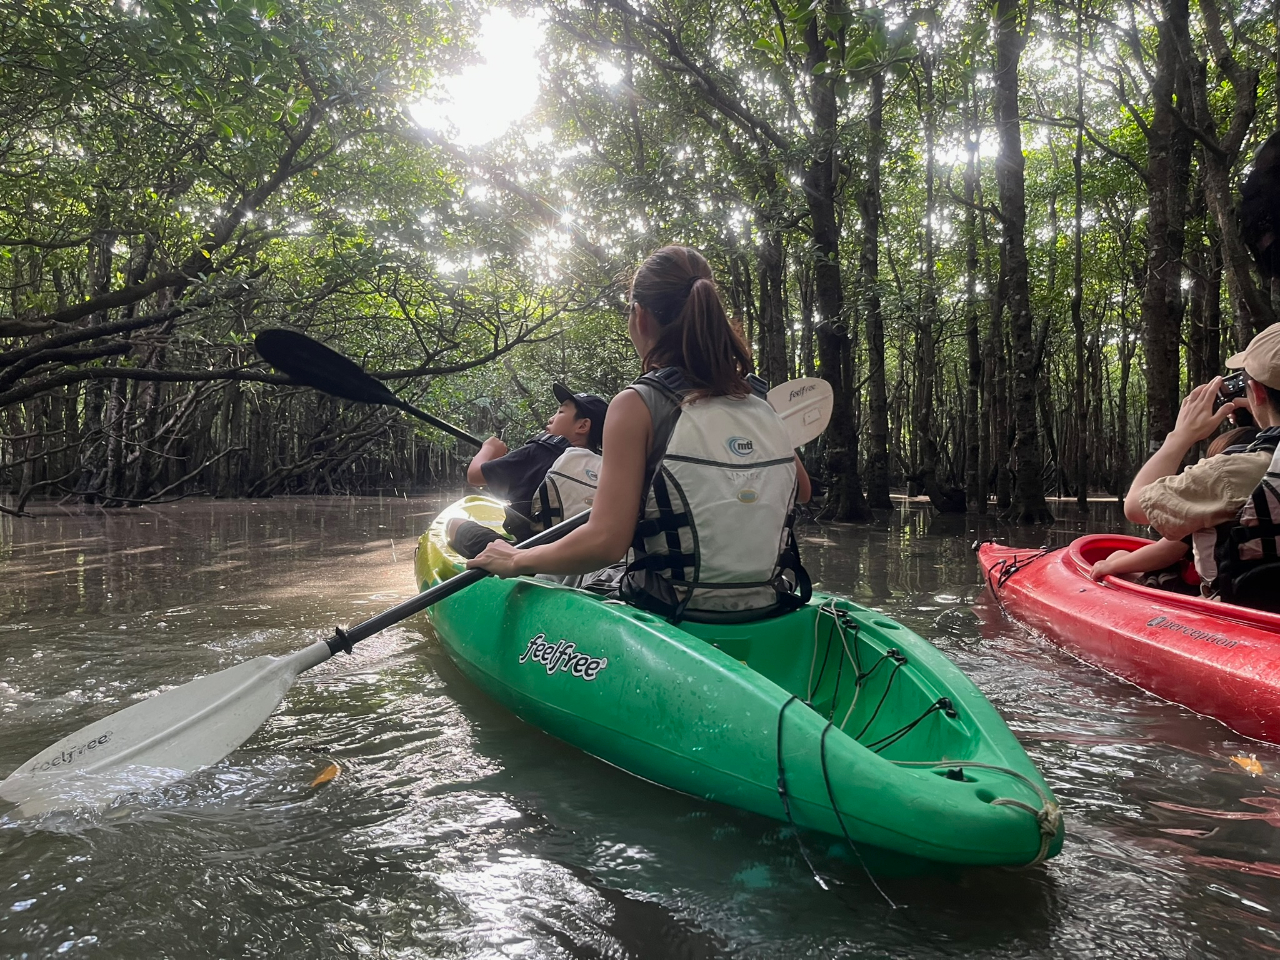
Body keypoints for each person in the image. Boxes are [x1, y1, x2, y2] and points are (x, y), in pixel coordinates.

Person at [467, 245, 811, 623]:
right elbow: (802, 490)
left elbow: (605, 543)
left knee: (471, 535)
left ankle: (482, 543)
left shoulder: (636, 404)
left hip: (667, 607)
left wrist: (517, 559)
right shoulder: (757, 398)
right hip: (766, 602)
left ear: (641, 316)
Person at [1124, 331, 1280, 599]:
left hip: (1245, 613)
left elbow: (1136, 507)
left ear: (1256, 391)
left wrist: (1180, 436)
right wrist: (1261, 413)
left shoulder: (1230, 473)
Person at [447, 384, 608, 559]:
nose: (551, 419)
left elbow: (474, 475)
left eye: (560, 412)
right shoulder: (604, 466)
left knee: (454, 524)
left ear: (583, 426)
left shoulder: (540, 451)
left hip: (528, 557)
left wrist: (489, 448)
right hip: (578, 557)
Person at [1092, 426, 1257, 586]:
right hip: (1237, 581)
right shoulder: (1258, 502)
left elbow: (1165, 551)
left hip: (1205, 588)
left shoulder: (1207, 508)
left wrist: (1112, 567)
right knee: (1120, 556)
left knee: (1117, 557)